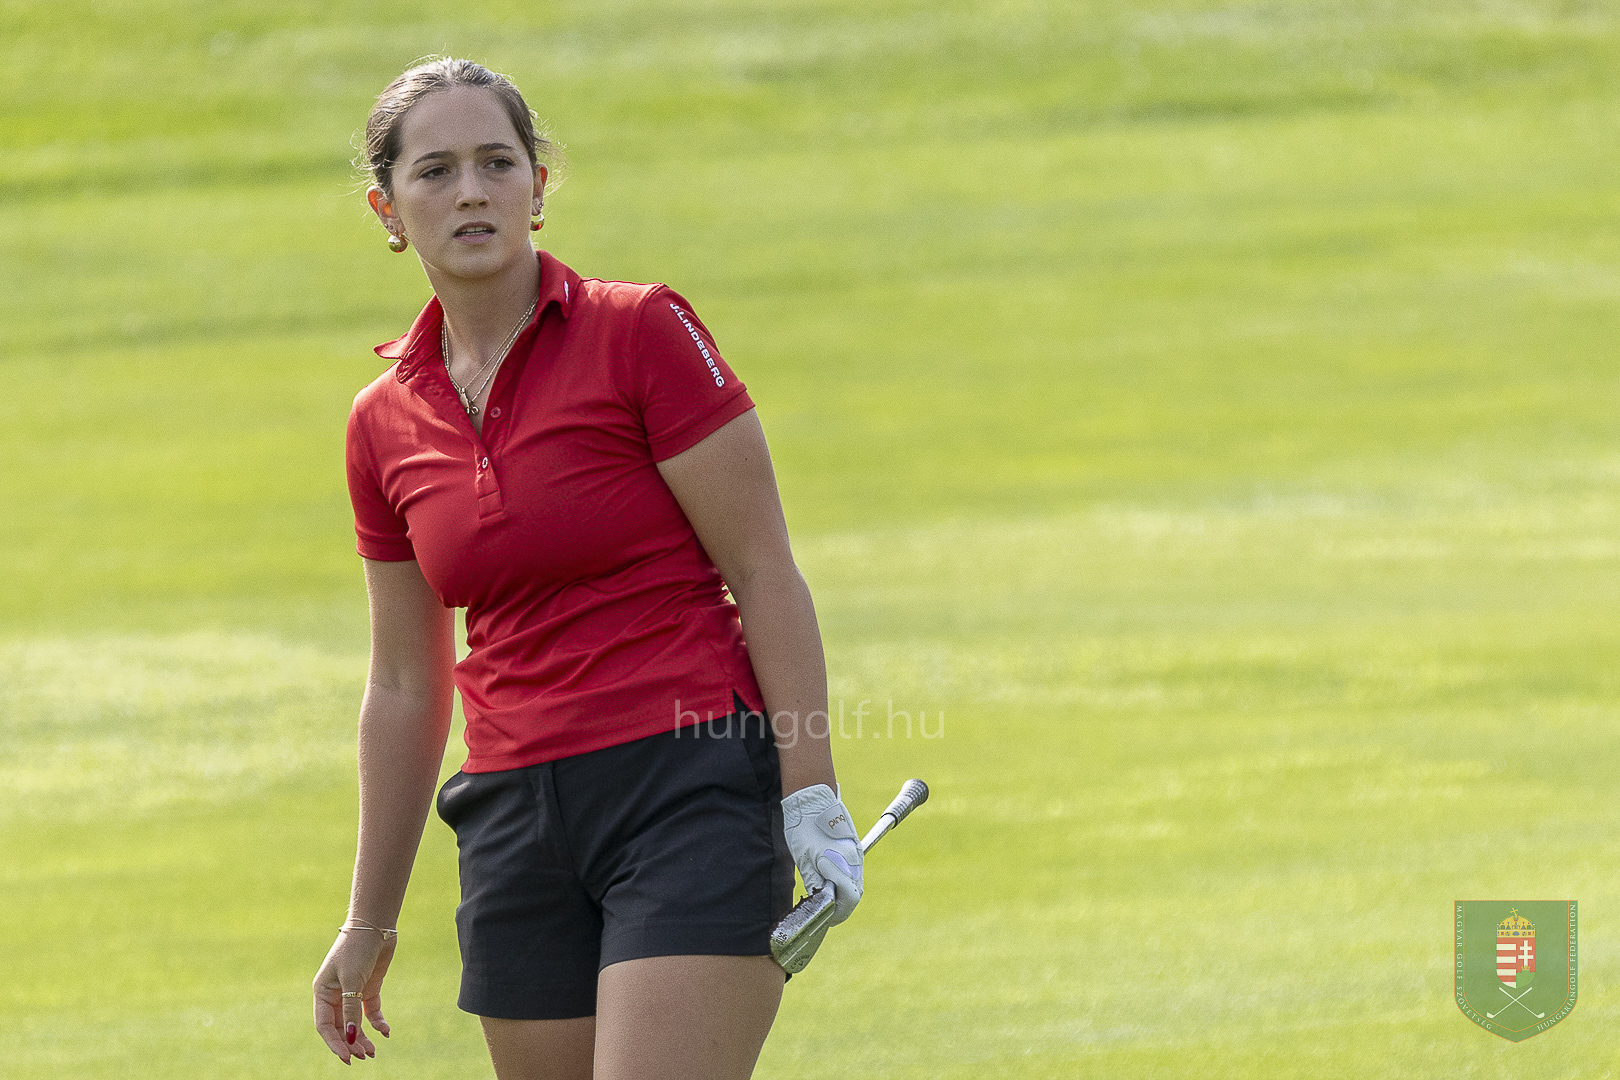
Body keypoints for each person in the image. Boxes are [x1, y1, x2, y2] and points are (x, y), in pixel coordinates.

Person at [310, 58, 865, 1080]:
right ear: (388, 210)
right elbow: (404, 685)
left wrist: (810, 794)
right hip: (512, 819)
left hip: (688, 785)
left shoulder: (639, 329)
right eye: (435, 171)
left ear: (538, 183)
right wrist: (368, 920)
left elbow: (764, 573)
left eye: (497, 162)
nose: (471, 192)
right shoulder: (380, 421)